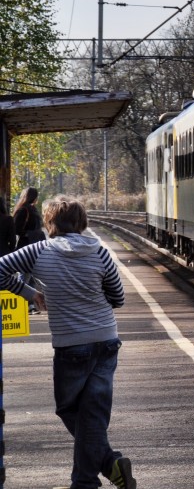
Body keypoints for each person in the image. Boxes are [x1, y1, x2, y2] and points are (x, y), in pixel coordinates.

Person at [0, 196, 135, 489]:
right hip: (106, 340)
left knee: (69, 409)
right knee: (93, 413)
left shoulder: (38, 251)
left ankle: (92, 477)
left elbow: (0, 270)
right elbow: (119, 298)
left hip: (70, 345)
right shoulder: (100, 253)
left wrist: (27, 292)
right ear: (81, 222)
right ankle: (102, 468)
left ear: (50, 222)